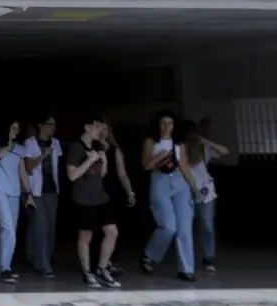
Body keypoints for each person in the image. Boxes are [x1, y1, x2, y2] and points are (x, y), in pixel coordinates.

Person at [140, 110, 199, 281]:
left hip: (180, 182)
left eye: (170, 123)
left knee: (184, 227)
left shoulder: (179, 144)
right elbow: (146, 165)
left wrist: (194, 188)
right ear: (158, 125)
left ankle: (187, 269)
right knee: (168, 226)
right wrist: (159, 156)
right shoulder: (151, 142)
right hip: (160, 181)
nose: (167, 127)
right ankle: (149, 254)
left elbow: (185, 167)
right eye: (164, 123)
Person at [66, 116, 121, 289]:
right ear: (87, 127)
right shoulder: (76, 147)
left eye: (101, 128)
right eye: (97, 127)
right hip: (83, 198)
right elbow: (72, 175)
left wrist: (103, 162)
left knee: (112, 231)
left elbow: (100, 175)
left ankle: (102, 268)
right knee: (85, 236)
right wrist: (90, 159)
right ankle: (87, 272)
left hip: (100, 196)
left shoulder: (97, 147)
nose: (100, 131)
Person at [0, 118, 34, 284]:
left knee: (10, 229)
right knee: (7, 227)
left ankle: (2, 267)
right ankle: (4, 268)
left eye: (18, 129)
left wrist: (28, 193)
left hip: (15, 192)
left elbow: (22, 171)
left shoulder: (20, 149)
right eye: (13, 128)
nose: (16, 131)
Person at [186, 121, 230, 273]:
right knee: (187, 225)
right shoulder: (182, 149)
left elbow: (225, 151)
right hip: (187, 192)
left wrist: (205, 141)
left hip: (206, 193)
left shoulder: (205, 149)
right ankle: (188, 256)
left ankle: (208, 257)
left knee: (206, 224)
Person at [22, 115, 62, 278]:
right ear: (40, 125)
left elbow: (56, 166)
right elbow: (28, 167)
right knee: (41, 228)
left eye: (54, 125)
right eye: (49, 124)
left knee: (50, 229)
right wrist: (43, 155)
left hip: (52, 190)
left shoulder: (56, 143)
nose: (52, 128)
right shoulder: (30, 143)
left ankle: (41, 258)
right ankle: (43, 265)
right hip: (36, 191)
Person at [98, 123, 137, 277]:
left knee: (113, 228)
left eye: (106, 129)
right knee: (99, 229)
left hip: (112, 192)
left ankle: (109, 262)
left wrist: (130, 191)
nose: (102, 132)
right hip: (95, 191)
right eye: (100, 129)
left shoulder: (115, 150)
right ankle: (100, 263)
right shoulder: (91, 148)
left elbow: (122, 173)